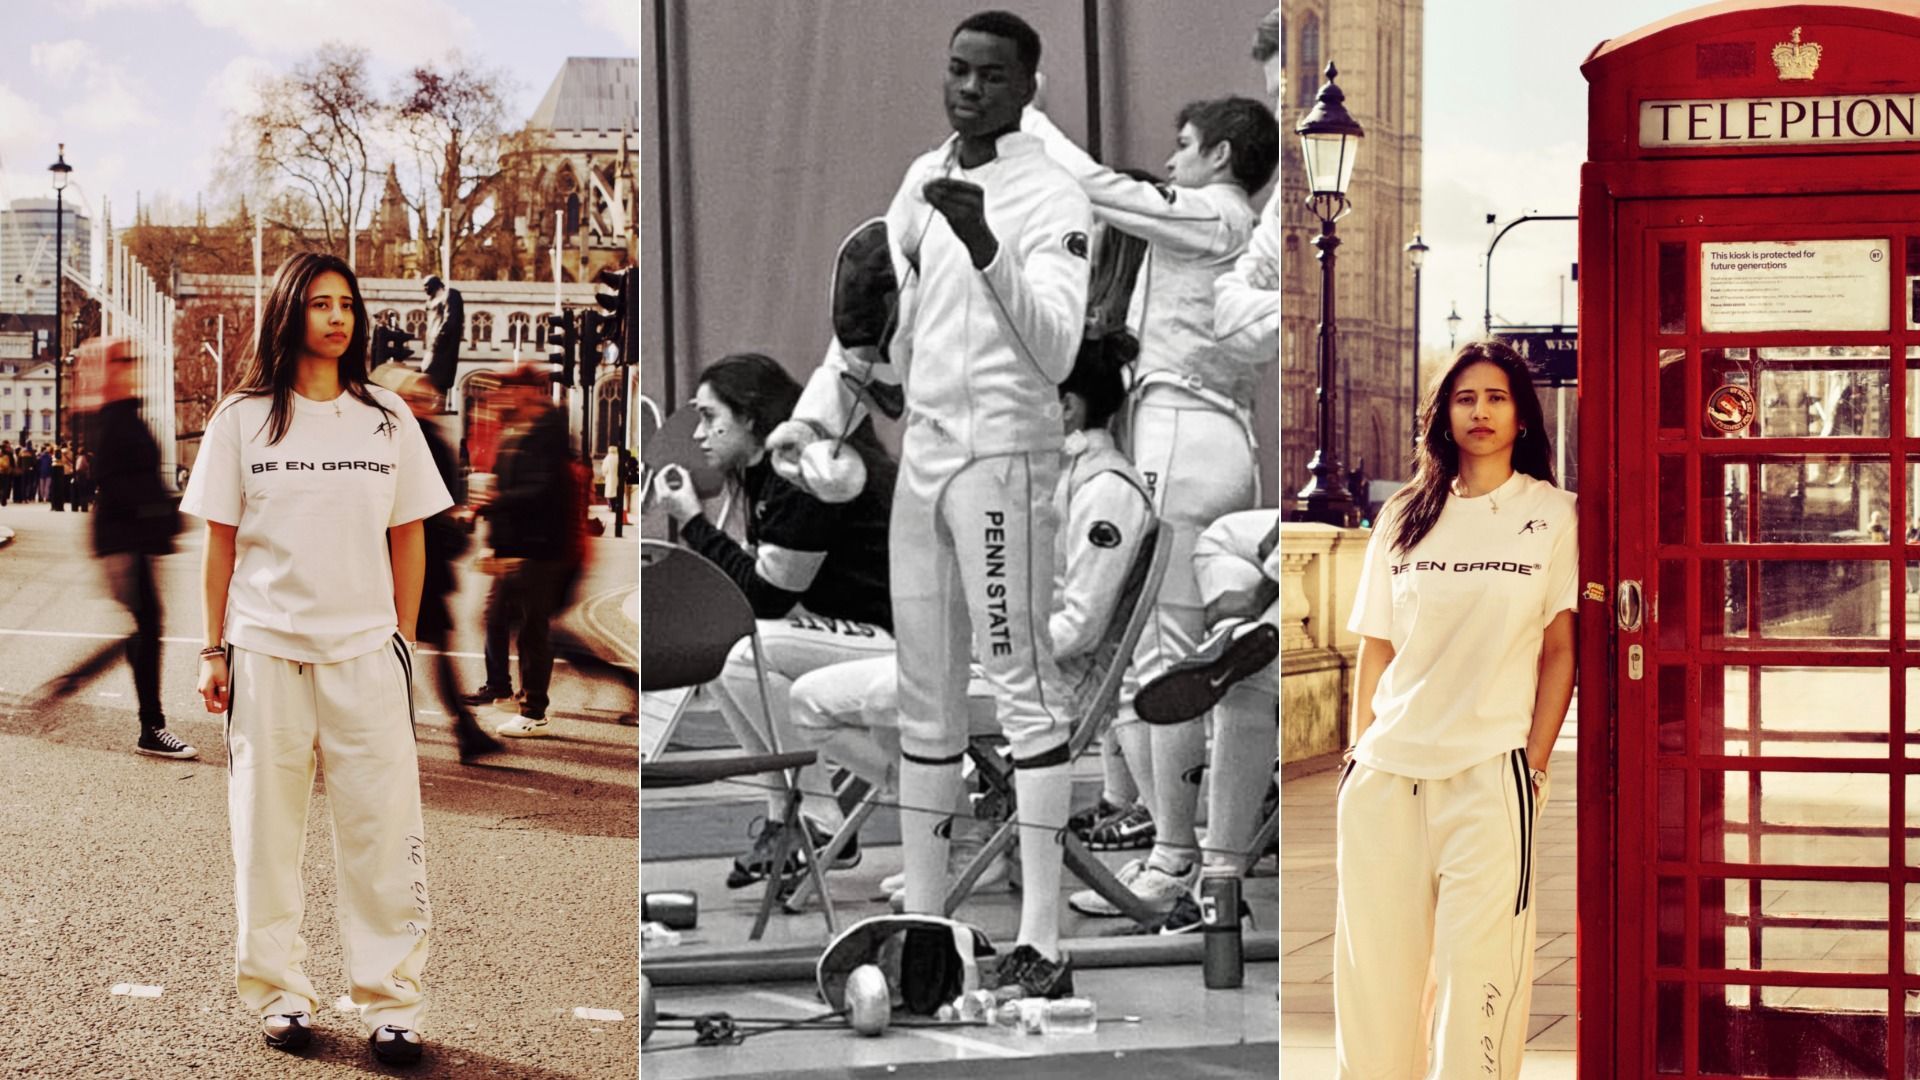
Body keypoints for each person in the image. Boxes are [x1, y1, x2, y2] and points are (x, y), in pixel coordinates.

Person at [768, 9, 1092, 999]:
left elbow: (1059, 350)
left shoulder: (1055, 195)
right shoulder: (919, 177)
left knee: (1024, 685)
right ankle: (928, 924)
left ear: (1028, 86)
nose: (969, 89)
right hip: (926, 461)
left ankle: (1041, 938)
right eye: (957, 71)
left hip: (1006, 461)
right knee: (926, 695)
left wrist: (987, 245)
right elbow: (869, 329)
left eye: (991, 76)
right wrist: (815, 416)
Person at [182, 252, 451, 1066]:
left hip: (367, 655)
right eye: (321, 303)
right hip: (265, 652)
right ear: (290, 311)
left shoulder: (388, 419)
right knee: (266, 836)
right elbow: (219, 546)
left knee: (383, 832)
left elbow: (411, 536)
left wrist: (400, 638)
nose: (337, 317)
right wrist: (212, 649)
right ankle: (279, 995)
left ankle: (391, 1003)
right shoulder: (243, 419)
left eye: (348, 304)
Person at [1021, 89, 1277, 913]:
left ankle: (1173, 862)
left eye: (1185, 144)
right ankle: (1186, 851)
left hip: (1181, 438)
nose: (1170, 161)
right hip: (1208, 439)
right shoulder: (1224, 228)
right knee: (1180, 660)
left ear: (1222, 158)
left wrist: (1024, 114)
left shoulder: (1215, 214)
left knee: (1163, 663)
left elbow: (1098, 185)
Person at [789, 331, 1152, 909]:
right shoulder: (1045, 474)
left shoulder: (1106, 489)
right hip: (1002, 663)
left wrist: (988, 647)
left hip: (1050, 684)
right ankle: (964, 828)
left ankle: (961, 836)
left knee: (817, 701)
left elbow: (1081, 625)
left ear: (1064, 407)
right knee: (816, 698)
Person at [1335, 341, 1577, 1077]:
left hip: (1487, 775)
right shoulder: (1405, 514)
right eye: (1465, 397)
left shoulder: (1555, 515)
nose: (1480, 411)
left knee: (1481, 978)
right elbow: (1376, 648)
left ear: (1522, 417)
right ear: (1443, 414)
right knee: (1375, 983)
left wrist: (1530, 766)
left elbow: (1561, 650)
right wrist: (1356, 756)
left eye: (1497, 397)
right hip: (1385, 778)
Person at [653, 352, 896, 885]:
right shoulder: (772, 475)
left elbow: (765, 600)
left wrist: (693, 522)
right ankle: (781, 813)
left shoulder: (804, 480)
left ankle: (820, 817)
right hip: (862, 632)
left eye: (711, 418)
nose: (699, 434)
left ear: (751, 419)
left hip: (902, 641)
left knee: (742, 648)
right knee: (717, 650)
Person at [372, 364, 505, 763]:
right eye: (414, 397)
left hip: (420, 565)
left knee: (415, 650)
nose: (425, 404)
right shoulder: (407, 439)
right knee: (399, 650)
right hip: (405, 564)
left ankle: (461, 731)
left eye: (427, 397)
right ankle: (460, 731)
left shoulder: (417, 438)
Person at [88, 341, 194, 759]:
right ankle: (152, 727)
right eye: (122, 364)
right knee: (148, 624)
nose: (132, 370)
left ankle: (149, 720)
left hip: (134, 541)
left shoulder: (127, 415)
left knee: (147, 625)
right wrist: (167, 513)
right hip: (121, 544)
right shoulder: (111, 421)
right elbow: (120, 486)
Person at [462, 364, 575, 738]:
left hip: (540, 549)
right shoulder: (517, 429)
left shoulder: (546, 434)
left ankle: (534, 711)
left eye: (510, 388)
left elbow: (541, 491)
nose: (503, 394)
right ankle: (512, 690)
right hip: (515, 548)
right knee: (496, 619)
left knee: (532, 630)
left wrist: (494, 501)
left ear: (530, 391)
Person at [421, 276, 463, 392]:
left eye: (427, 285)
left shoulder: (451, 295)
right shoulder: (431, 301)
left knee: (437, 379)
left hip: (442, 347)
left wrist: (438, 339)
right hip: (432, 346)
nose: (424, 289)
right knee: (427, 377)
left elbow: (451, 322)